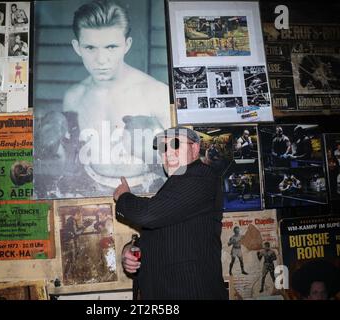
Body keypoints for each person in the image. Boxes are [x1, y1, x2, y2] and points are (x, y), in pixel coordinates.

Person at [60, 0, 170, 186]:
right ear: (77, 47)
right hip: (91, 189)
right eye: (90, 48)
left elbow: (181, 167)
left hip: (148, 190)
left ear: (127, 45)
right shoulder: (73, 97)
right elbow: (71, 161)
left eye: (111, 47)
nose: (101, 60)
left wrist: (150, 153)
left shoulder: (156, 93)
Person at [115, 127, 227, 300]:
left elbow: (148, 215)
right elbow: (162, 233)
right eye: (163, 148)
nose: (168, 153)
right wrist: (130, 250)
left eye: (176, 144)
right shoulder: (174, 188)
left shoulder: (202, 176)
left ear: (195, 148)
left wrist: (123, 197)